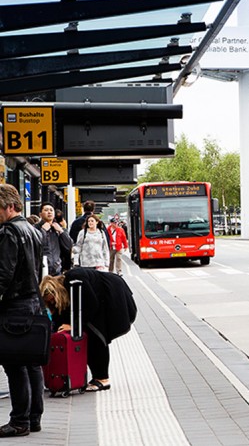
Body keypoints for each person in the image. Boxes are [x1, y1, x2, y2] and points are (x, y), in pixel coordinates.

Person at [40, 267, 137, 393]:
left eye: (52, 300)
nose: (52, 302)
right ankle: (95, 376)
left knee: (96, 335)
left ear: (56, 293)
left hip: (115, 296)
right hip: (103, 298)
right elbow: (61, 316)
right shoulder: (68, 287)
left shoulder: (74, 280)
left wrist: (73, 326)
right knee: (90, 334)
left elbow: (91, 305)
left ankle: (102, 378)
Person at [0, 184, 45, 437]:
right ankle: (34, 417)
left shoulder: (9, 232)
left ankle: (19, 421)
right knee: (32, 363)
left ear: (9, 206)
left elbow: (3, 273)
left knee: (15, 364)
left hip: (14, 305)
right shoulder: (33, 230)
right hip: (32, 302)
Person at [37, 202, 73, 276]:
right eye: (46, 210)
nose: (49, 212)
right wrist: (43, 231)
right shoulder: (36, 228)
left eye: (51, 210)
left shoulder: (59, 229)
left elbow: (69, 246)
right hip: (40, 271)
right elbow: (36, 244)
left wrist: (61, 232)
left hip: (57, 270)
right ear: (40, 214)